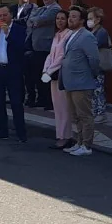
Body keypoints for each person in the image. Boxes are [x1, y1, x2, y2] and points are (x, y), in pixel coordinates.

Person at [0, 1, 28, 142]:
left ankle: (21, 133)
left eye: (5, 15)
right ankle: (3, 131)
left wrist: (8, 33)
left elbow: (21, 47)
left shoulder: (19, 29)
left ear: (11, 15)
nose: (2, 18)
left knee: (15, 102)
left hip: (12, 70)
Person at [59, 4, 102, 156]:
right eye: (70, 16)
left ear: (82, 20)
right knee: (76, 116)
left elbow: (94, 59)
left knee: (85, 115)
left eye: (74, 17)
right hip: (70, 82)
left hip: (82, 82)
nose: (70, 19)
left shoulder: (87, 36)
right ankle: (79, 142)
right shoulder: (70, 35)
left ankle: (87, 145)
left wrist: (91, 75)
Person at [44, 9, 75, 149]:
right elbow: (51, 55)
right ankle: (60, 135)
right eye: (58, 18)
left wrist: (50, 70)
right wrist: (45, 69)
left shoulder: (69, 35)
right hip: (52, 74)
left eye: (63, 18)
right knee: (57, 107)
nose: (60, 21)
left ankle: (66, 136)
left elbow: (61, 56)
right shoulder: (57, 34)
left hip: (62, 74)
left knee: (64, 107)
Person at [88, 6, 112, 121]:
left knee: (99, 90)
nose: (89, 21)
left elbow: (94, 45)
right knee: (93, 90)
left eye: (91, 18)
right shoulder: (92, 31)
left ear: (98, 19)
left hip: (99, 65)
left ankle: (101, 113)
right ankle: (94, 111)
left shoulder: (101, 32)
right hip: (92, 65)